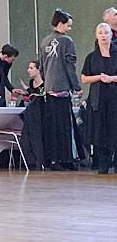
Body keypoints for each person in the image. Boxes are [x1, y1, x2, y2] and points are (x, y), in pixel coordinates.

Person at [39, 9, 81, 170]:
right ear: (61, 24)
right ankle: (66, 159)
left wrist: (48, 81)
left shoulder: (44, 41)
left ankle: (53, 159)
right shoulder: (67, 41)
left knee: (52, 126)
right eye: (68, 25)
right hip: (63, 89)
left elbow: (42, 68)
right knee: (65, 126)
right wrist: (76, 87)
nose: (70, 29)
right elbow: (70, 67)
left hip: (49, 89)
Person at [81, 23, 117, 174]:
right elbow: (84, 79)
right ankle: (103, 163)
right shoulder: (91, 57)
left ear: (111, 35)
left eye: (106, 33)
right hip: (98, 100)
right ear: (96, 35)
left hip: (114, 99)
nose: (103, 35)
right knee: (100, 131)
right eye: (100, 33)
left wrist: (112, 78)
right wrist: (99, 77)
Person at [16, 61, 45, 170]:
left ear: (38, 70)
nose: (28, 70)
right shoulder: (31, 82)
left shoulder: (45, 83)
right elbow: (31, 94)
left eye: (31, 68)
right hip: (33, 115)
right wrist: (25, 92)